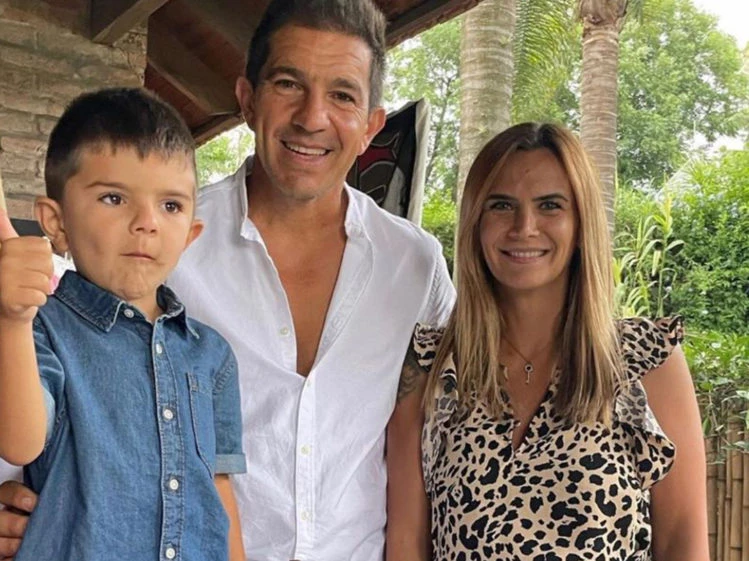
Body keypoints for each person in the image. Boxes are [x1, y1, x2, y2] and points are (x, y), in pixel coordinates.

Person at [0, 1, 455, 560]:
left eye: (342, 95)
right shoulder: (158, 245)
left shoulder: (415, 264)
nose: (312, 117)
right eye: (289, 84)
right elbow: (43, 404)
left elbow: (439, 436)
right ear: (247, 100)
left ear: (370, 126)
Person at [386, 122, 709, 560]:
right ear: (476, 222)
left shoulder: (646, 361)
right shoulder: (431, 367)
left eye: (550, 205)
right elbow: (407, 544)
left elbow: (683, 543)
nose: (524, 227)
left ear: (581, 223)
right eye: (502, 205)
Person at [0, 88, 246, 561]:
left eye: (171, 206)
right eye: (114, 198)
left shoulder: (211, 354)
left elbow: (218, 487)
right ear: (56, 222)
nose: (146, 222)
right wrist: (11, 321)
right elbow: (19, 442)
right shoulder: (43, 329)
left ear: (190, 234)